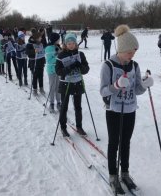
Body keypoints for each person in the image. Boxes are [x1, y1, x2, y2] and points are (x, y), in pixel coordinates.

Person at [99, 24, 154, 194]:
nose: (132, 55)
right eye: (130, 52)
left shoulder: (135, 65)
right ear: (121, 49)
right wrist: (116, 85)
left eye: (134, 52)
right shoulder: (108, 65)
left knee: (126, 143)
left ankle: (125, 173)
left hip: (130, 109)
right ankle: (113, 175)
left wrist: (145, 85)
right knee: (114, 142)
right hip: (114, 110)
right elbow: (103, 91)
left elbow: (137, 89)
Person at [55, 33, 89, 137]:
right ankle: (63, 128)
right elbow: (58, 71)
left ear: (75, 43)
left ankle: (79, 127)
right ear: (65, 44)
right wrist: (69, 67)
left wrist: (80, 66)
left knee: (78, 107)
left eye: (73, 43)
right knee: (64, 107)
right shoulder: (61, 55)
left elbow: (86, 69)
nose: (71, 45)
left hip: (78, 83)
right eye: (68, 43)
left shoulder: (81, 54)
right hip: (65, 84)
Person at [26, 29, 46, 95]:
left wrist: (44, 60)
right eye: (40, 37)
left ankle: (41, 88)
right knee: (35, 76)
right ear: (36, 38)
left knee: (41, 75)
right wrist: (33, 51)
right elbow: (27, 52)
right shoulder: (30, 43)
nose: (41, 38)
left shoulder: (41, 43)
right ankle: (35, 89)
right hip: (33, 62)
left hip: (40, 61)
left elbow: (43, 52)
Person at [45, 32, 62, 112]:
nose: (59, 40)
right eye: (58, 39)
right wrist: (58, 56)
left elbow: (61, 56)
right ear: (55, 39)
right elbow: (49, 60)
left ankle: (59, 102)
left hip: (58, 70)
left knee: (58, 87)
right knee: (52, 87)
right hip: (52, 70)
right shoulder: (48, 48)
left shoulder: (57, 47)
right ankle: (51, 103)